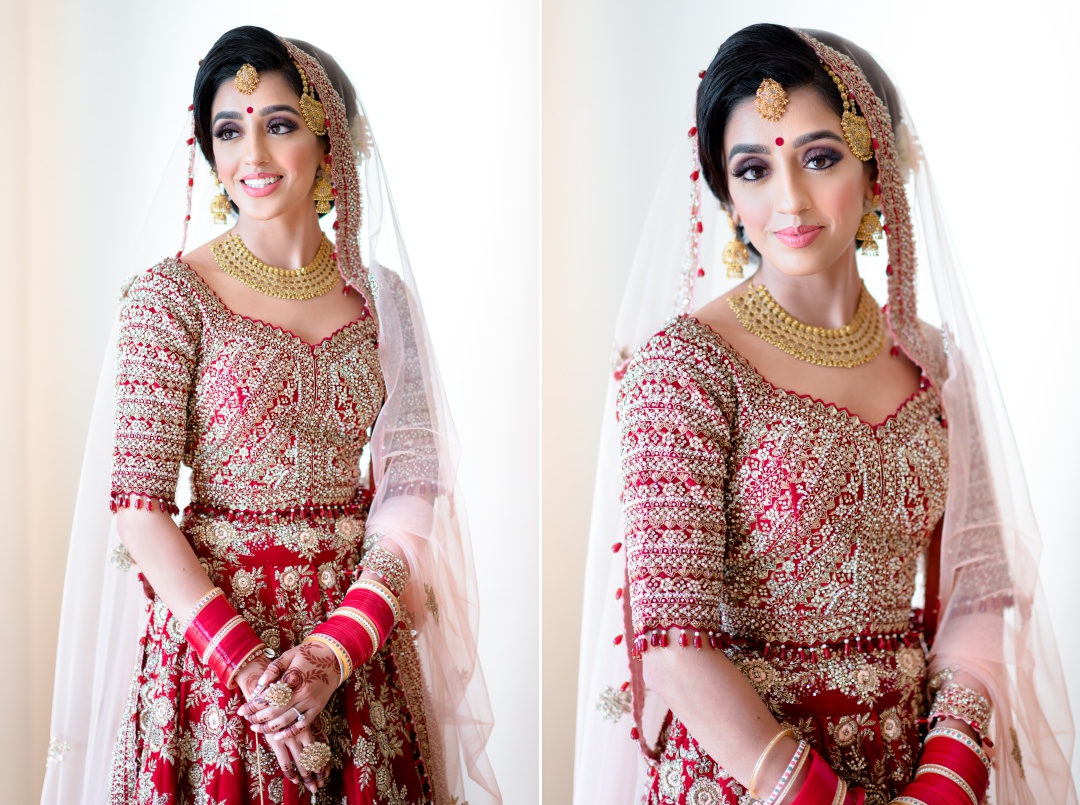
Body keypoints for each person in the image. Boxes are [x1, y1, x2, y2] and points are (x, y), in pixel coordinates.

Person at [574, 23, 1076, 805]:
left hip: (915, 767)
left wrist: (943, 783)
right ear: (727, 195)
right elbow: (674, 646)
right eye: (754, 169)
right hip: (747, 780)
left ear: (877, 170)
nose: (791, 200)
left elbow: (978, 597)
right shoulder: (686, 367)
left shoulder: (936, 368)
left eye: (819, 156)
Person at [41, 25, 500, 805]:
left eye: (278, 124)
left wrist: (335, 650)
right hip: (217, 656)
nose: (252, 154)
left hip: (354, 642)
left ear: (330, 140)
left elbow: (413, 488)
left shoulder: (382, 299)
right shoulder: (170, 296)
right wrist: (253, 669)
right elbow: (139, 509)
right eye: (229, 130)